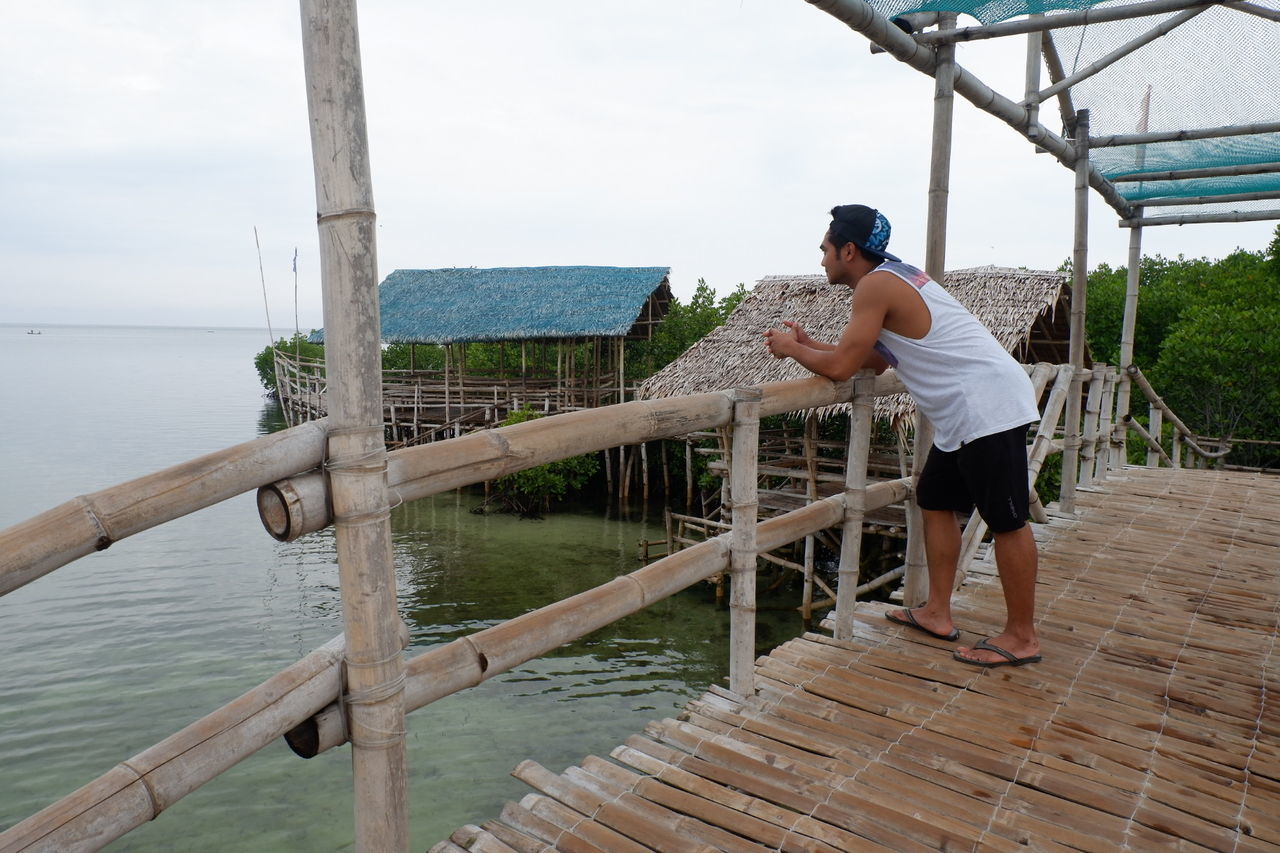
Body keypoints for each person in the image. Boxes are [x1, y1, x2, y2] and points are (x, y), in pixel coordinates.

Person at [764, 204, 1042, 667]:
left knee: (1007, 520)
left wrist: (792, 349)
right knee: (934, 499)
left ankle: (1022, 637)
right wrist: (808, 344)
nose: (822, 261)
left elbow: (841, 369)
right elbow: (873, 359)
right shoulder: (895, 276)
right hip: (963, 413)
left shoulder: (874, 287)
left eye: (825, 250)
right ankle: (936, 611)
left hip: (986, 407)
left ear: (848, 250)